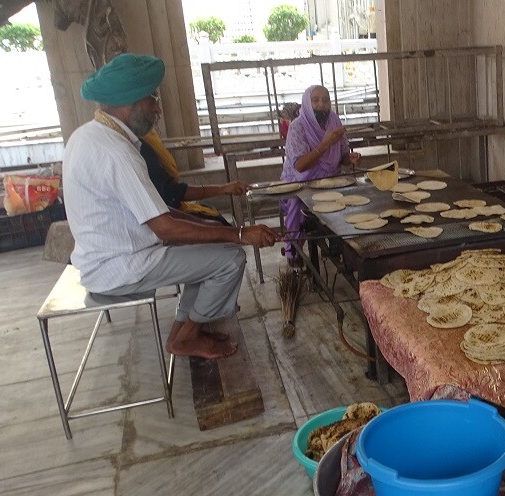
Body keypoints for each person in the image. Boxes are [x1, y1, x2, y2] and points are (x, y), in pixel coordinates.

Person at [62, 53, 279, 359]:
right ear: (130, 104)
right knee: (230, 259)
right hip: (121, 264)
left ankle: (185, 329)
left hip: (108, 255)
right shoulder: (116, 153)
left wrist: (216, 228)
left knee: (213, 247)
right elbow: (164, 226)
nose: (158, 109)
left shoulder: (87, 136)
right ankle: (185, 338)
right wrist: (240, 235)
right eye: (152, 100)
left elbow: (157, 210)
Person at [280, 85, 362, 261]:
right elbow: (300, 166)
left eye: (325, 100)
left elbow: (342, 156)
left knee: (350, 200)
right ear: (307, 104)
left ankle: (339, 244)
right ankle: (293, 252)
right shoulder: (298, 127)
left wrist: (350, 158)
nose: (321, 104)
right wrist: (325, 144)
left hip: (331, 180)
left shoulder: (334, 121)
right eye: (315, 100)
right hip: (302, 182)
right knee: (297, 204)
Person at [139, 130, 247, 225]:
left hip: (169, 207)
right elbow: (171, 192)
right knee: (220, 226)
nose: (158, 111)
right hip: (166, 213)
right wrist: (223, 189)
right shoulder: (140, 147)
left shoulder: (147, 139)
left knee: (214, 216)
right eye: (152, 105)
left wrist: (224, 189)